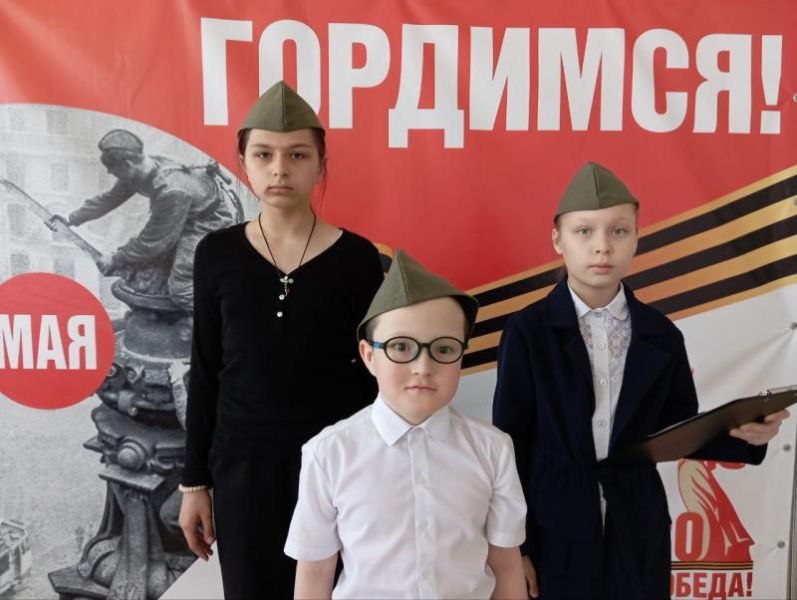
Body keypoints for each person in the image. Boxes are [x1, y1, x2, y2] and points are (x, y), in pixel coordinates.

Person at [492, 162, 789, 600]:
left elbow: (677, 428)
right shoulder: (528, 332)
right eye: (584, 232)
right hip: (553, 526)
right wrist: (518, 549)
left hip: (637, 526)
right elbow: (509, 445)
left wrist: (745, 434)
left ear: (636, 238)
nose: (602, 246)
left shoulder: (660, 333)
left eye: (618, 231)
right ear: (558, 239)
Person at [177, 81, 384, 598]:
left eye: (297, 155)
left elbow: (376, 381)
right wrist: (195, 482)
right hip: (243, 470)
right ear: (242, 163)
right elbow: (205, 370)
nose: (279, 170)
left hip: (339, 470)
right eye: (263, 154)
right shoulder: (217, 254)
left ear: (321, 165)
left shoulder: (358, 259)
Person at [284, 250, 528, 599]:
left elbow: (505, 565)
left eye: (444, 349)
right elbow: (314, 572)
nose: (423, 367)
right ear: (369, 355)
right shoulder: (328, 454)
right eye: (401, 346)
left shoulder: (493, 450)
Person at [49, 128, 237, 311]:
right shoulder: (143, 169)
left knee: (181, 289)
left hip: (209, 225)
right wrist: (71, 218)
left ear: (127, 164)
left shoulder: (171, 191)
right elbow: (110, 199)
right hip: (186, 215)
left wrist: (115, 259)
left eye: (113, 169)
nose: (110, 173)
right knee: (152, 273)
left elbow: (151, 242)